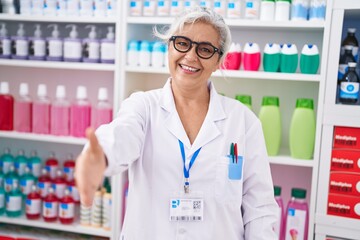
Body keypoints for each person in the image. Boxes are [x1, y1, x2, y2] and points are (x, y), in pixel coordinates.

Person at [75, 6, 278, 240]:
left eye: (204, 49)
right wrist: (98, 159)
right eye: (182, 43)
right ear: (169, 47)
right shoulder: (143, 106)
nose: (190, 56)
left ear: (218, 60)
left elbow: (259, 208)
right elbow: (121, 136)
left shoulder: (243, 122)